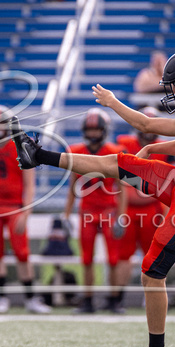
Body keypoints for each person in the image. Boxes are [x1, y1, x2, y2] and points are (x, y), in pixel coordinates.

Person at [12, 48, 175, 347]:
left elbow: (144, 122)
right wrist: (153, 149)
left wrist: (112, 102)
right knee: (117, 164)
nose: (173, 91)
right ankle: (38, 156)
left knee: (152, 272)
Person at [0, 105, 51, 314]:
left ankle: (31, 298)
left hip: (15, 207)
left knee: (22, 253)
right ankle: (1, 297)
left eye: (1, 122)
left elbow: (29, 183)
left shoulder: (21, 146)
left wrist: (26, 211)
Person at [63, 108, 127, 314]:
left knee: (113, 259)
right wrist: (66, 214)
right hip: (87, 211)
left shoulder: (115, 151)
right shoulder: (76, 151)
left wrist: (122, 215)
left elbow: (122, 187)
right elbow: (73, 186)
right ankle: (88, 301)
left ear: (104, 130)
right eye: (89, 130)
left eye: (96, 130)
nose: (92, 134)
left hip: (108, 210)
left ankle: (114, 300)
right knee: (87, 259)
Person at [116, 106, 175, 311]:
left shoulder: (163, 148)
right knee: (124, 256)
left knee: (153, 257)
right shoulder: (125, 144)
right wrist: (121, 214)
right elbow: (121, 178)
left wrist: (168, 216)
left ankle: (151, 297)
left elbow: (170, 183)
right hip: (131, 210)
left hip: (153, 209)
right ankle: (118, 299)